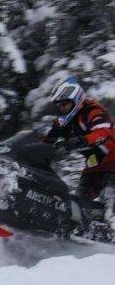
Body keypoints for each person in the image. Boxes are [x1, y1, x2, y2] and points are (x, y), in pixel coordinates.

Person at [44, 76, 115, 229]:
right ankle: (80, 231)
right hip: (95, 164)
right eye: (60, 105)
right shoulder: (61, 122)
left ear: (76, 100)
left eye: (65, 104)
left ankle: (111, 227)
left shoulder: (92, 110)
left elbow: (102, 131)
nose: (62, 108)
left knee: (110, 193)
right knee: (78, 201)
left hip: (113, 159)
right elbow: (48, 139)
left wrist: (79, 141)